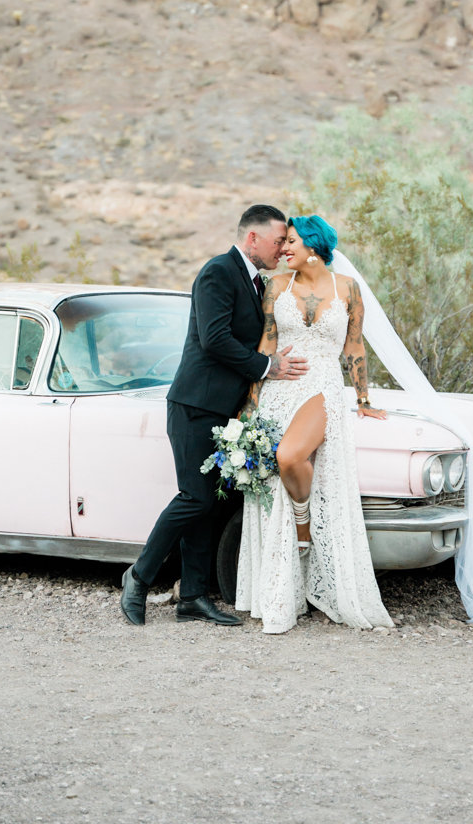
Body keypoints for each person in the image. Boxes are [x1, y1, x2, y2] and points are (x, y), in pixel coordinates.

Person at [120, 204, 309, 627]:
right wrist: (268, 366)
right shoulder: (218, 272)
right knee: (196, 498)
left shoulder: (258, 281)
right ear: (253, 238)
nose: (282, 248)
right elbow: (214, 338)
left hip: (226, 410)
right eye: (279, 240)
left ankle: (193, 597)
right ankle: (139, 576)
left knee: (209, 505)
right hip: (195, 404)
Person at [235, 215, 394, 633]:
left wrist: (362, 399)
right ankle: (285, 581)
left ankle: (304, 532)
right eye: (282, 241)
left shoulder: (348, 289)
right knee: (275, 472)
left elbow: (354, 346)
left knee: (289, 455)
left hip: (322, 384)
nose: (284, 248)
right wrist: (250, 406)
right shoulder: (275, 287)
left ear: (314, 244)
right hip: (279, 388)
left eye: (291, 241)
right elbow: (267, 343)